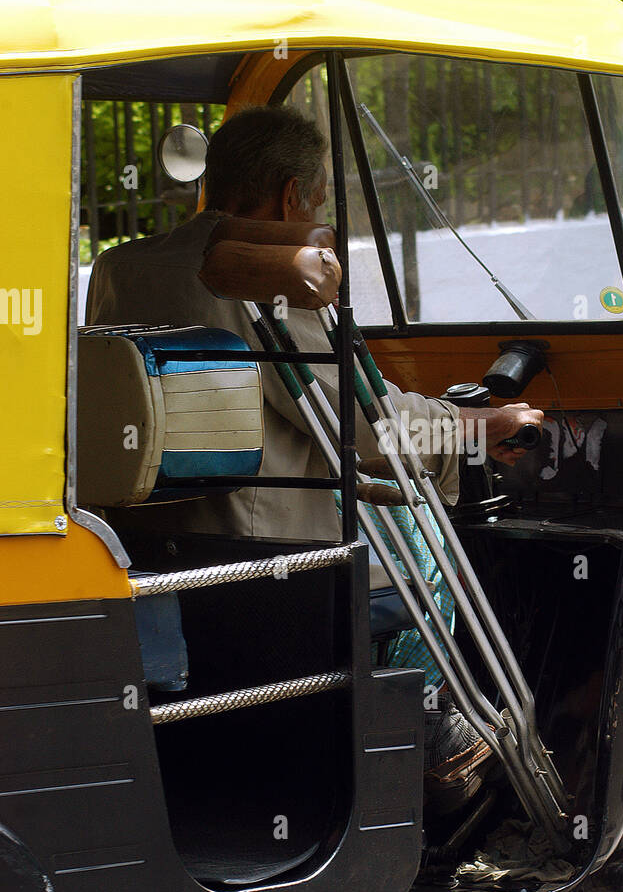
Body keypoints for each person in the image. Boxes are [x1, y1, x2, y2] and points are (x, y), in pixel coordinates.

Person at [87, 104, 542, 812]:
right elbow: (371, 427)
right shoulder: (269, 276)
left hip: (152, 546)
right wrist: (475, 426)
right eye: (321, 199)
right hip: (269, 559)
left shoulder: (121, 267)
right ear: (291, 196)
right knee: (426, 546)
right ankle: (425, 726)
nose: (320, 217)